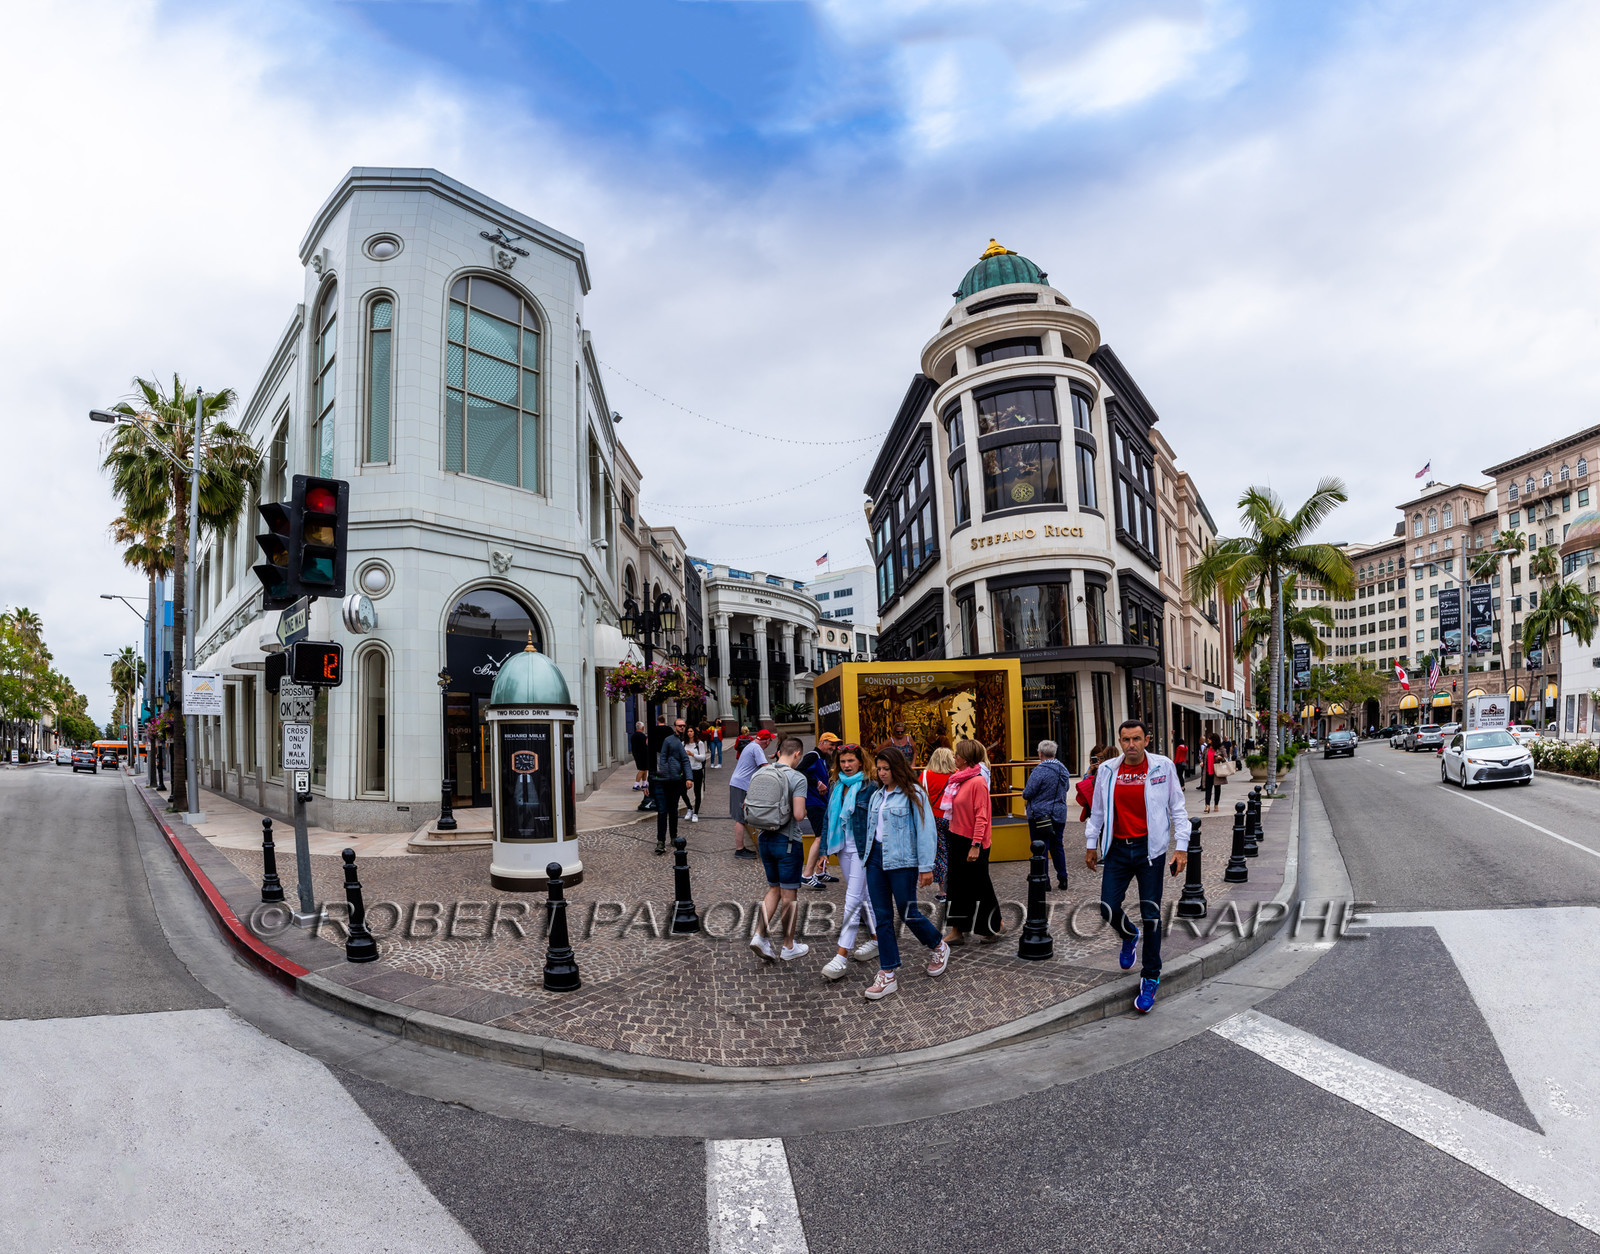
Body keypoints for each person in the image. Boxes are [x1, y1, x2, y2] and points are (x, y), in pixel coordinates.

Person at [1085, 719, 1190, 1015]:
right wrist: (1091, 844)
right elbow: (1098, 811)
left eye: (1136, 739)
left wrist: (1181, 848)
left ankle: (1150, 976)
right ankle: (1129, 935)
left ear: (1147, 740)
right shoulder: (1107, 770)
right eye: (1125, 740)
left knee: (1151, 914)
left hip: (1150, 851)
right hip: (1117, 849)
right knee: (1107, 906)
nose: (1130, 745)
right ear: (1119, 741)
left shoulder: (1162, 766)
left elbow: (1177, 808)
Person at [861, 747, 950, 1001]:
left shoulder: (914, 794)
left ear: (898, 768)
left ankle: (937, 945)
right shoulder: (878, 796)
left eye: (886, 769)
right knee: (882, 917)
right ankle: (887, 973)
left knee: (908, 912)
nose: (882, 773)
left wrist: (926, 867)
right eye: (879, 769)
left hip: (903, 862)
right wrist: (866, 858)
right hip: (876, 859)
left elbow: (926, 831)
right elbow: (871, 831)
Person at [746, 736, 813, 962]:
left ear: (779, 752)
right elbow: (797, 815)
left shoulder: (760, 773)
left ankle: (759, 935)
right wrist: (804, 811)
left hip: (764, 839)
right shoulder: (797, 777)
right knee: (789, 894)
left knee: (773, 889)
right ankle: (788, 945)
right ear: (797, 754)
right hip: (788, 843)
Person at [818, 743, 879, 979]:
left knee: (852, 899)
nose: (846, 765)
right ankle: (878, 941)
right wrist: (824, 850)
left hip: (864, 850)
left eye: (851, 761)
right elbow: (827, 818)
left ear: (861, 762)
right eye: (843, 762)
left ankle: (841, 956)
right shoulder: (837, 785)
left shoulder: (870, 786)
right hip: (843, 849)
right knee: (864, 898)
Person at [940, 739, 1002, 944]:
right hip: (956, 837)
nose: (954, 757)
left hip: (974, 842)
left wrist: (975, 845)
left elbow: (982, 816)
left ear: (965, 759)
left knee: (980, 886)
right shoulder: (958, 779)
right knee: (956, 886)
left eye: (957, 754)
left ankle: (992, 927)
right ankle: (958, 930)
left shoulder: (977, 782)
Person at [1022, 738, 1072, 890]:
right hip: (1059, 813)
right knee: (1057, 846)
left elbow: (1028, 792)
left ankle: (1044, 881)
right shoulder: (1063, 769)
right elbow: (1067, 788)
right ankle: (1063, 878)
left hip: (1040, 815)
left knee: (1041, 848)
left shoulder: (1040, 770)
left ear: (1040, 753)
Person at [799, 733, 841, 889]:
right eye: (831, 744)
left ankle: (820, 870)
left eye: (835, 745)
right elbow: (800, 770)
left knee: (824, 837)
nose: (834, 747)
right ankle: (807, 874)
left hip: (821, 802)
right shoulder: (813, 755)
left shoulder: (822, 758)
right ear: (822, 742)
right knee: (820, 836)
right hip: (814, 803)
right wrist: (817, 782)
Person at [728, 728, 774, 859]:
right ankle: (739, 849)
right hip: (740, 785)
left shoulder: (752, 745)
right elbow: (765, 766)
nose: (769, 743)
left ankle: (741, 848)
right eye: (770, 740)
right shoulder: (756, 748)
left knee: (742, 817)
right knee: (740, 818)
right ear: (766, 741)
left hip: (739, 783)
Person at [920, 745, 958, 901]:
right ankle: (957, 887)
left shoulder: (924, 775)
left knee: (940, 853)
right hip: (953, 817)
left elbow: (920, 797)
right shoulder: (957, 774)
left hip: (933, 818)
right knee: (955, 851)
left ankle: (943, 891)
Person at [653, 718, 692, 854]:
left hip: (674, 780)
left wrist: (688, 777)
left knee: (672, 810)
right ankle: (661, 840)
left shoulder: (680, 741)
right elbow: (663, 758)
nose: (682, 728)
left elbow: (685, 760)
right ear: (674, 727)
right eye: (679, 725)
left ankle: (672, 837)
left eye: (683, 726)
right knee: (663, 811)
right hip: (664, 780)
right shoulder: (670, 740)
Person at [683, 725, 708, 821]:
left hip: (697, 770)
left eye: (691, 731)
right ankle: (689, 808)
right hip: (686, 770)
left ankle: (696, 813)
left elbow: (703, 757)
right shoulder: (683, 744)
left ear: (694, 732)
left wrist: (692, 754)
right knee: (682, 791)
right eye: (688, 731)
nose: (689, 733)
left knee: (697, 792)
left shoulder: (699, 744)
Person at [1201, 732, 1222, 815]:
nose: (1208, 739)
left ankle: (1216, 804)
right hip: (1208, 771)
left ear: (1214, 740)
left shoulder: (1220, 748)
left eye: (1209, 738)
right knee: (1208, 789)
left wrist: (1220, 758)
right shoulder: (1207, 748)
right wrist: (1202, 762)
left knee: (1217, 789)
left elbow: (1225, 757)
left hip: (1216, 772)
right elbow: (1202, 757)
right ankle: (1207, 805)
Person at [630, 721, 650, 791]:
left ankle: (644, 784)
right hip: (643, 755)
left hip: (637, 754)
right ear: (643, 727)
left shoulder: (633, 736)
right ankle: (636, 784)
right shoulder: (643, 736)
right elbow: (646, 745)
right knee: (642, 770)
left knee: (645, 769)